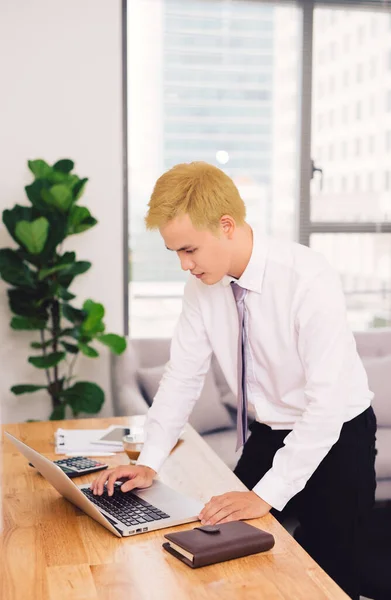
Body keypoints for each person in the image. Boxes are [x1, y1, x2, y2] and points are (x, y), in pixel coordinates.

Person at [91, 162, 377, 600]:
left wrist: (267, 495)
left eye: (189, 250)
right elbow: (182, 376)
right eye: (175, 254)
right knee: (227, 549)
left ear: (226, 225)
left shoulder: (306, 278)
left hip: (337, 435)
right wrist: (149, 459)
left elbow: (326, 407)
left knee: (333, 574)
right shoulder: (202, 288)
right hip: (268, 432)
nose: (184, 266)